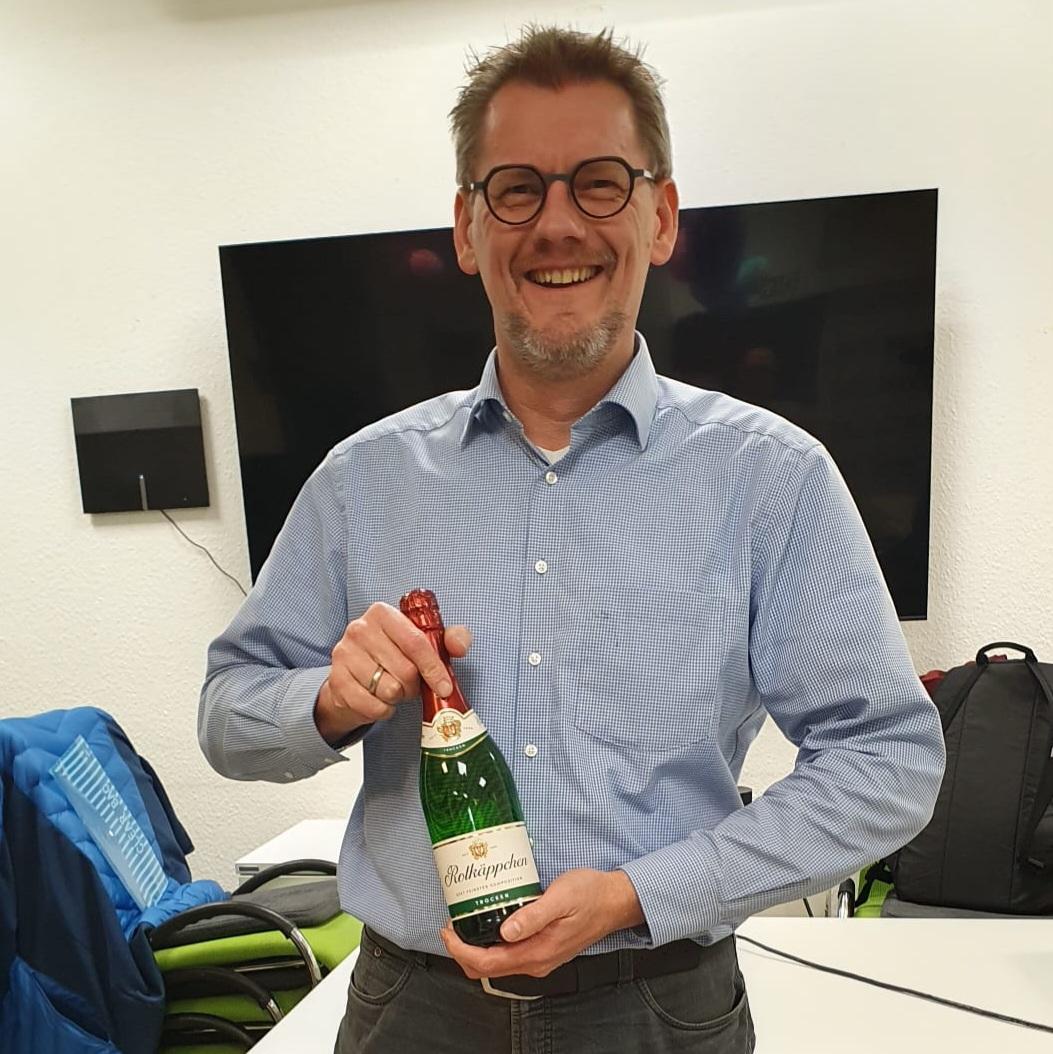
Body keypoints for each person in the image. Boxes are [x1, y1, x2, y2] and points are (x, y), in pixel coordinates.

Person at [199, 25, 945, 1054]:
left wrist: (642, 893)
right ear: (467, 229)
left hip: (659, 1007)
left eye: (599, 183)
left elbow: (886, 761)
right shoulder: (360, 480)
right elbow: (227, 713)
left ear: (661, 216)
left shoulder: (772, 479)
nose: (557, 224)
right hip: (411, 1012)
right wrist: (327, 701)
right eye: (515, 189)